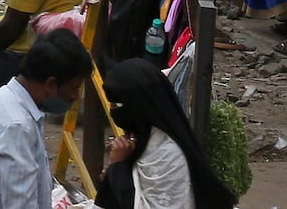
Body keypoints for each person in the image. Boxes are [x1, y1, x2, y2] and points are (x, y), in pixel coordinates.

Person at [0, 30, 88, 209]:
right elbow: (20, 204)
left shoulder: (3, 99)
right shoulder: (16, 126)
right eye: (74, 88)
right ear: (51, 84)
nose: (75, 96)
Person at [99, 58, 236, 209]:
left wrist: (118, 168)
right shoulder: (143, 141)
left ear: (139, 105)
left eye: (117, 104)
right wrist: (114, 174)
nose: (113, 110)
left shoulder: (168, 154)